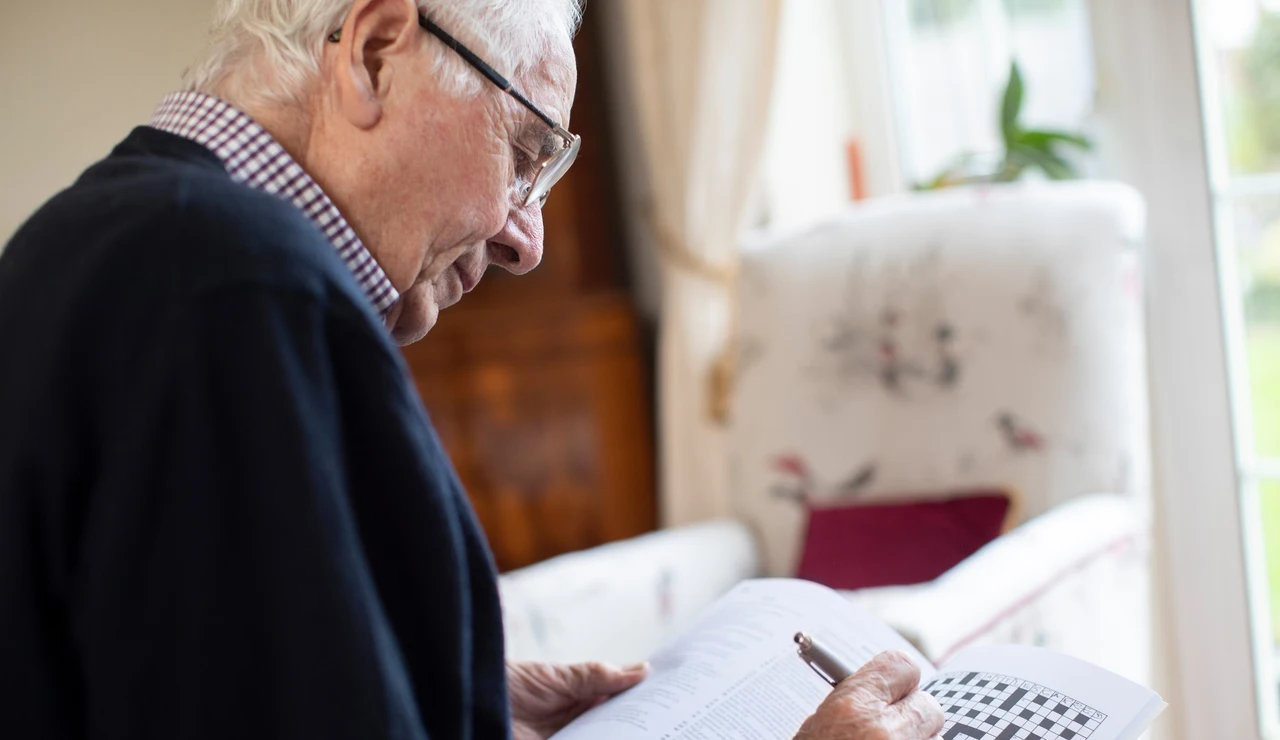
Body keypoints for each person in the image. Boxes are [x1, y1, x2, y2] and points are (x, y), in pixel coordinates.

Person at [0, 1, 944, 738]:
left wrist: (442, 697)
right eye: (527, 150)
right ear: (373, 50)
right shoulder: (235, 287)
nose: (527, 241)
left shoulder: (87, 241)